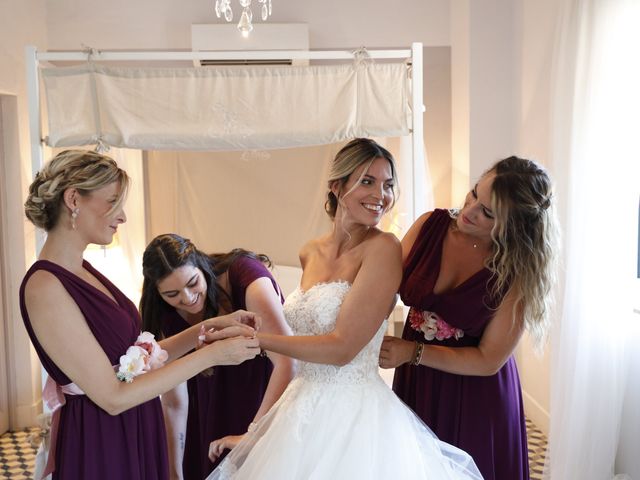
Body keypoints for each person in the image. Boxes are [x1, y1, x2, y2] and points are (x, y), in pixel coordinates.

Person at [205, 138, 483, 480]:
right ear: (337, 186)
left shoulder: (383, 249)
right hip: (299, 408)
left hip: (355, 417)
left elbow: (342, 348)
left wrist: (259, 339)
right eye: (367, 181)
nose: (381, 194)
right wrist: (257, 431)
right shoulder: (309, 251)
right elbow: (303, 345)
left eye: (388, 185)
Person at [20, 150, 261, 480]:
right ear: (73, 199)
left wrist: (206, 328)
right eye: (113, 202)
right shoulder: (44, 287)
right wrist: (212, 356)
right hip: (103, 438)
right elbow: (112, 396)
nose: (122, 217)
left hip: (136, 424)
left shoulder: (84, 270)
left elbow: (136, 359)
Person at [379, 156, 558, 480]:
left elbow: (488, 360)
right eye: (475, 193)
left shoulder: (517, 270)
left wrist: (412, 352)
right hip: (418, 383)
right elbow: (383, 289)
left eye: (488, 213)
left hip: (474, 396)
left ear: (515, 225)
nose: (469, 210)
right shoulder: (428, 227)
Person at [140, 234, 295, 479]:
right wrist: (174, 471)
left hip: (263, 401)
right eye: (172, 294)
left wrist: (252, 435)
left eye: (193, 283)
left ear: (201, 266)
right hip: (207, 414)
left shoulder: (244, 274)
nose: (187, 298)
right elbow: (173, 402)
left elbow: (288, 360)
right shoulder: (164, 314)